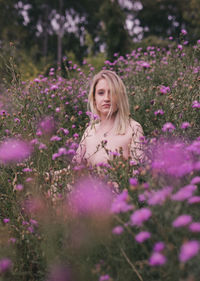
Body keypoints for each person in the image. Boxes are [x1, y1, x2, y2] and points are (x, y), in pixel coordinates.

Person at [74, 70, 144, 167]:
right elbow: (73, 169)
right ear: (94, 99)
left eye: (112, 93)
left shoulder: (133, 128)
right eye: (101, 93)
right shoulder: (90, 131)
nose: (106, 98)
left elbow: (139, 171)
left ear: (120, 97)